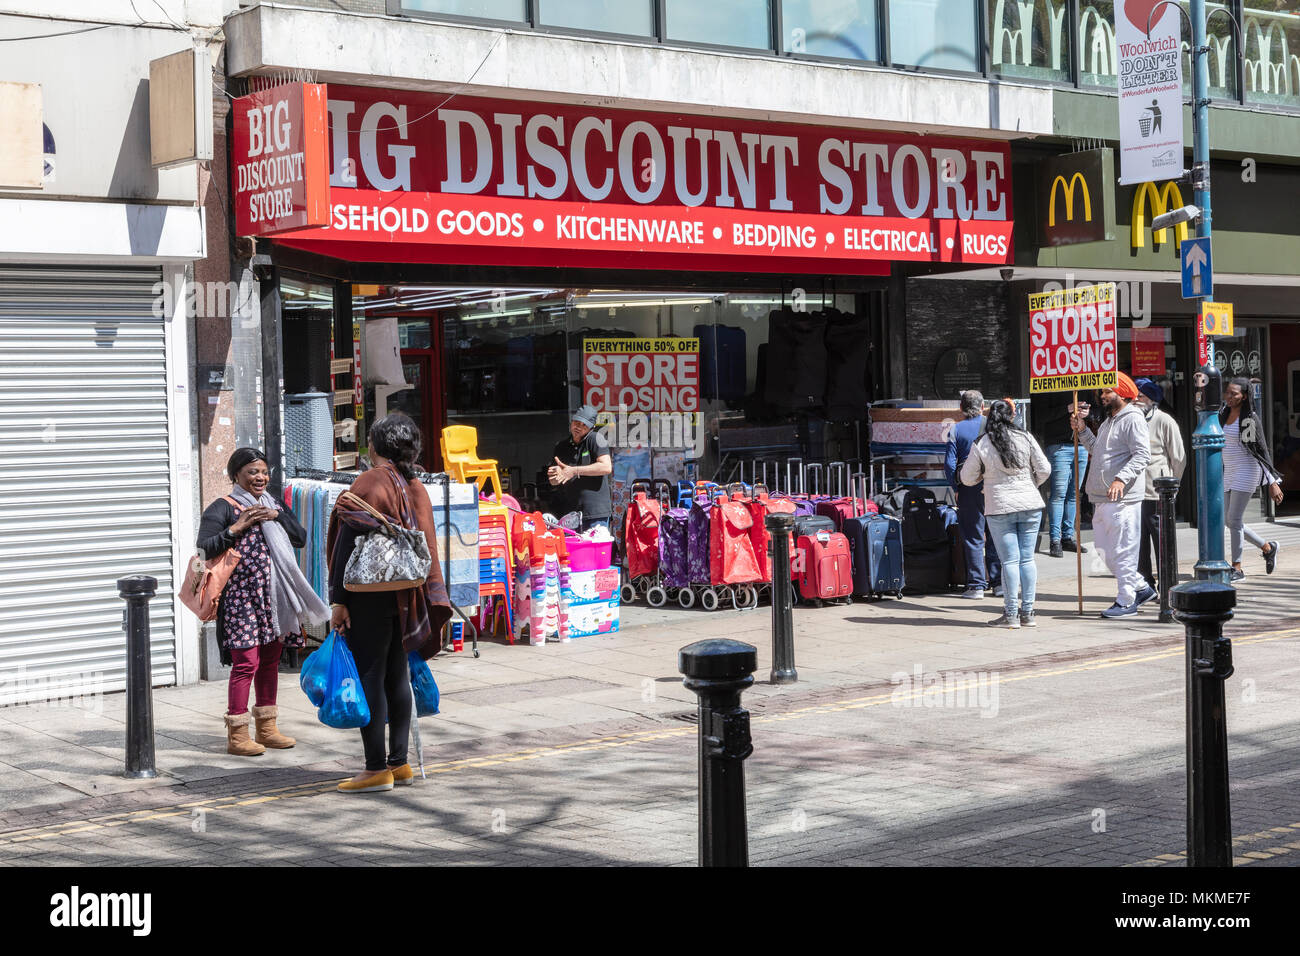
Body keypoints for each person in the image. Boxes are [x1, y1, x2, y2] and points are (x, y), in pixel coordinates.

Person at [327, 414, 452, 793]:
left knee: (370, 676)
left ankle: (375, 769)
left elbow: (347, 538)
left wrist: (338, 601)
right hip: (407, 594)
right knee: (397, 674)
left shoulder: (372, 479)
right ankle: (400, 764)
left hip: (371, 596)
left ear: (376, 446)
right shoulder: (417, 484)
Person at [197, 448, 329, 756]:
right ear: (236, 476)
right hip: (241, 600)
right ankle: (237, 735)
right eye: (253, 472)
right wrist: (236, 528)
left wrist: (279, 516)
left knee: (270, 661)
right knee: (246, 664)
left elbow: (300, 537)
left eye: (264, 472)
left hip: (274, 598)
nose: (260, 477)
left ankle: (267, 728)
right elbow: (203, 550)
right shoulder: (223, 508)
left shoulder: (274, 505)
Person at [960, 400, 1051, 628]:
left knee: (1009, 561)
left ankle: (1011, 615)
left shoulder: (982, 443)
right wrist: (1031, 484)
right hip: (1030, 504)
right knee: (1027, 559)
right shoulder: (1026, 437)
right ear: (1012, 416)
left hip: (1000, 506)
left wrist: (985, 478)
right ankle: (1028, 613)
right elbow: (1045, 469)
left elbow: (966, 478)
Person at [1072, 373, 1154, 618]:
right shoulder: (1110, 420)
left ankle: (1127, 600)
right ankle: (1140, 587)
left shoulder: (1133, 418)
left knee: (1122, 550)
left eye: (1108, 391)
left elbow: (1142, 454)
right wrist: (1083, 430)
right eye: (1102, 392)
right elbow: (1098, 451)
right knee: (1104, 550)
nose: (1103, 396)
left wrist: (1121, 479)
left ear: (1124, 393)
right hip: (1101, 496)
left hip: (1122, 497)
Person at [1220, 377, 1283, 581]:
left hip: (1247, 470)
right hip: (1228, 470)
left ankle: (1237, 568)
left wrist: (1272, 482)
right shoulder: (1223, 413)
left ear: (1244, 396)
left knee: (1235, 520)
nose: (1229, 397)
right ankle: (1268, 547)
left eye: (1234, 394)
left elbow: (1261, 451)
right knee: (1229, 521)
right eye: (1227, 392)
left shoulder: (1249, 418)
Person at [944, 390, 1002, 599]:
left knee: (973, 536)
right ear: (982, 406)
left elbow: (949, 465)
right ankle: (998, 583)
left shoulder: (955, 430)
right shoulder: (993, 425)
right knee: (995, 533)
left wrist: (956, 488)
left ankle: (977, 585)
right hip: (994, 485)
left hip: (969, 488)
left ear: (961, 408)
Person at [1134, 377, 1186, 591]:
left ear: (1152, 400)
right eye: (1134, 396)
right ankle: (1146, 584)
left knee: (1162, 541)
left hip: (1157, 493)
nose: (1136, 400)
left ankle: (1168, 584)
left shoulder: (1164, 421)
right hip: (1135, 493)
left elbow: (1179, 457)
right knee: (1139, 543)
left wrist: (1173, 488)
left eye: (1141, 396)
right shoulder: (1131, 420)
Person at [1037, 390, 1089, 558]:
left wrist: (1087, 412)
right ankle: (1055, 539)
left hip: (1081, 445)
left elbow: (1096, 411)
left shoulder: (1084, 385)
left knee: (1074, 494)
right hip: (1059, 445)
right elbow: (1041, 415)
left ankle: (1068, 537)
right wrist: (1067, 408)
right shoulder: (1052, 385)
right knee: (1059, 494)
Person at [549, 404, 613, 531]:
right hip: (570, 513)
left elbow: (606, 467)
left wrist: (573, 471)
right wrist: (556, 476)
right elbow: (553, 481)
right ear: (571, 422)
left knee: (596, 550)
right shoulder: (561, 446)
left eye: (584, 425)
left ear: (591, 428)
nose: (579, 427)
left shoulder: (595, 439)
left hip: (595, 512)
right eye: (577, 422)